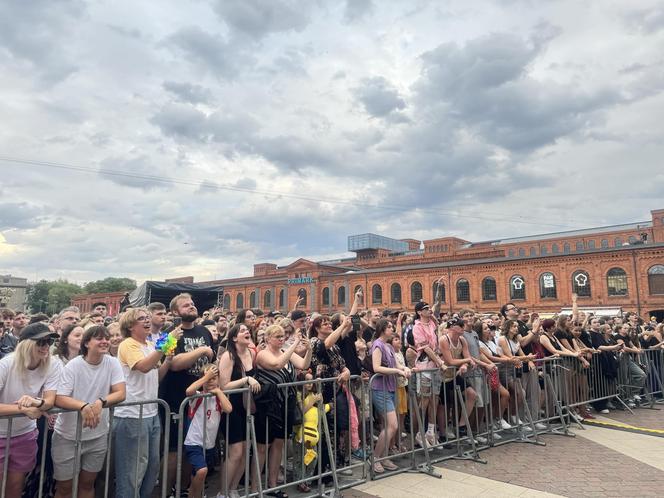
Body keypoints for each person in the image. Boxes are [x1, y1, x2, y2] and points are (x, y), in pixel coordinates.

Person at [52, 325, 126, 498]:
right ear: (86, 343)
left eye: (106, 338)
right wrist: (83, 406)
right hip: (68, 436)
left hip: (97, 436)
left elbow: (121, 393)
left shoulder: (112, 362)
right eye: (99, 338)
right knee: (65, 488)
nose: (105, 342)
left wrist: (101, 402)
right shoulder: (73, 366)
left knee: (87, 484)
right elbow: (60, 397)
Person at [113, 307, 176, 498]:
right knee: (132, 471)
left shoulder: (149, 344)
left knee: (151, 467)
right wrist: (166, 341)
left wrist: (168, 359)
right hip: (132, 414)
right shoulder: (128, 345)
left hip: (151, 412)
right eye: (142, 318)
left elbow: (155, 377)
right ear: (130, 325)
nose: (147, 321)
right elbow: (143, 366)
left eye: (148, 317)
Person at [158, 293, 215, 492]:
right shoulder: (168, 332)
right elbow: (171, 364)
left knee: (192, 449)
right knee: (174, 450)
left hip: (199, 402)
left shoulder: (204, 332)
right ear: (174, 312)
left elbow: (211, 364)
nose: (191, 307)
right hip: (175, 400)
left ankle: (182, 490)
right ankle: (165, 491)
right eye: (185, 305)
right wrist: (200, 351)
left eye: (192, 304)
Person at [0, 323, 60, 496]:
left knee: (15, 486)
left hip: (25, 434)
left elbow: (49, 401)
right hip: (1, 433)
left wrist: (36, 403)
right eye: (41, 342)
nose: (46, 347)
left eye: (49, 342)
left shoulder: (53, 364)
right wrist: (22, 409)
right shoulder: (6, 364)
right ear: (26, 344)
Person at [252, 324, 312, 496]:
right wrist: (294, 344)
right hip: (269, 405)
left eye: (283, 336)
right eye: (278, 336)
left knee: (279, 444)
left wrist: (308, 349)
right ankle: (256, 487)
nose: (281, 339)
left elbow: (303, 364)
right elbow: (277, 364)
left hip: (286, 403)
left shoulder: (286, 352)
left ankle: (272, 485)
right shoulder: (263, 354)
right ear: (268, 338)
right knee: (263, 446)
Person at [218, 324, 261, 498]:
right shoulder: (229, 356)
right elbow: (224, 386)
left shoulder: (251, 353)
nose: (247, 332)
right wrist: (247, 379)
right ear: (234, 337)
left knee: (245, 451)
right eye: (242, 330)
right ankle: (223, 492)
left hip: (247, 407)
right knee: (235, 452)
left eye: (247, 330)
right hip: (231, 408)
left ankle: (234, 489)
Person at [184, 365, 232, 498]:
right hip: (194, 441)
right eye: (208, 378)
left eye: (213, 378)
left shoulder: (218, 397)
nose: (210, 381)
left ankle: (194, 495)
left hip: (209, 444)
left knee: (198, 474)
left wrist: (219, 391)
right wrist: (206, 376)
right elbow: (189, 390)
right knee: (201, 471)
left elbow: (228, 409)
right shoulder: (197, 396)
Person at [370, 319, 410, 474]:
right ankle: (375, 458)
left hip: (390, 388)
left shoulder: (388, 346)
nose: (391, 328)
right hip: (380, 389)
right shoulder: (378, 345)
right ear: (381, 329)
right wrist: (398, 372)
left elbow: (396, 365)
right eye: (388, 327)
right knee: (392, 425)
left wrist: (404, 368)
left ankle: (384, 456)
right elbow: (376, 367)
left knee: (388, 426)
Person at [411, 301, 444, 447]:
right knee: (423, 401)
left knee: (434, 399)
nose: (429, 310)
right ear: (419, 312)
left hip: (435, 366)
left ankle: (431, 431)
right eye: (425, 309)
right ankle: (419, 433)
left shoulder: (432, 324)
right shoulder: (417, 327)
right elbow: (425, 348)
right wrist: (439, 361)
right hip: (425, 367)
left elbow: (435, 344)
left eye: (429, 308)